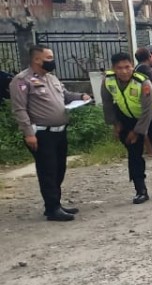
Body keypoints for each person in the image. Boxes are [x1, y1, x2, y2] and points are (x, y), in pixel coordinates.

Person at [8, 45, 90, 221]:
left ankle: (55, 203)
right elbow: (19, 109)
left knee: (59, 168)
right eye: (49, 57)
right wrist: (28, 133)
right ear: (37, 59)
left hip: (59, 132)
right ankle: (52, 208)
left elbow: (66, 95)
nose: (53, 60)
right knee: (48, 170)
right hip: (41, 134)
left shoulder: (51, 79)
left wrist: (81, 96)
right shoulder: (22, 80)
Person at [101, 52, 152, 204]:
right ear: (113, 69)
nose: (123, 71)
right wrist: (116, 124)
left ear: (132, 67)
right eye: (119, 68)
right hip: (128, 117)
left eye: (127, 67)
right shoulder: (108, 81)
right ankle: (140, 191)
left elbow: (147, 110)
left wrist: (137, 132)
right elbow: (107, 104)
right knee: (134, 154)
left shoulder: (142, 82)